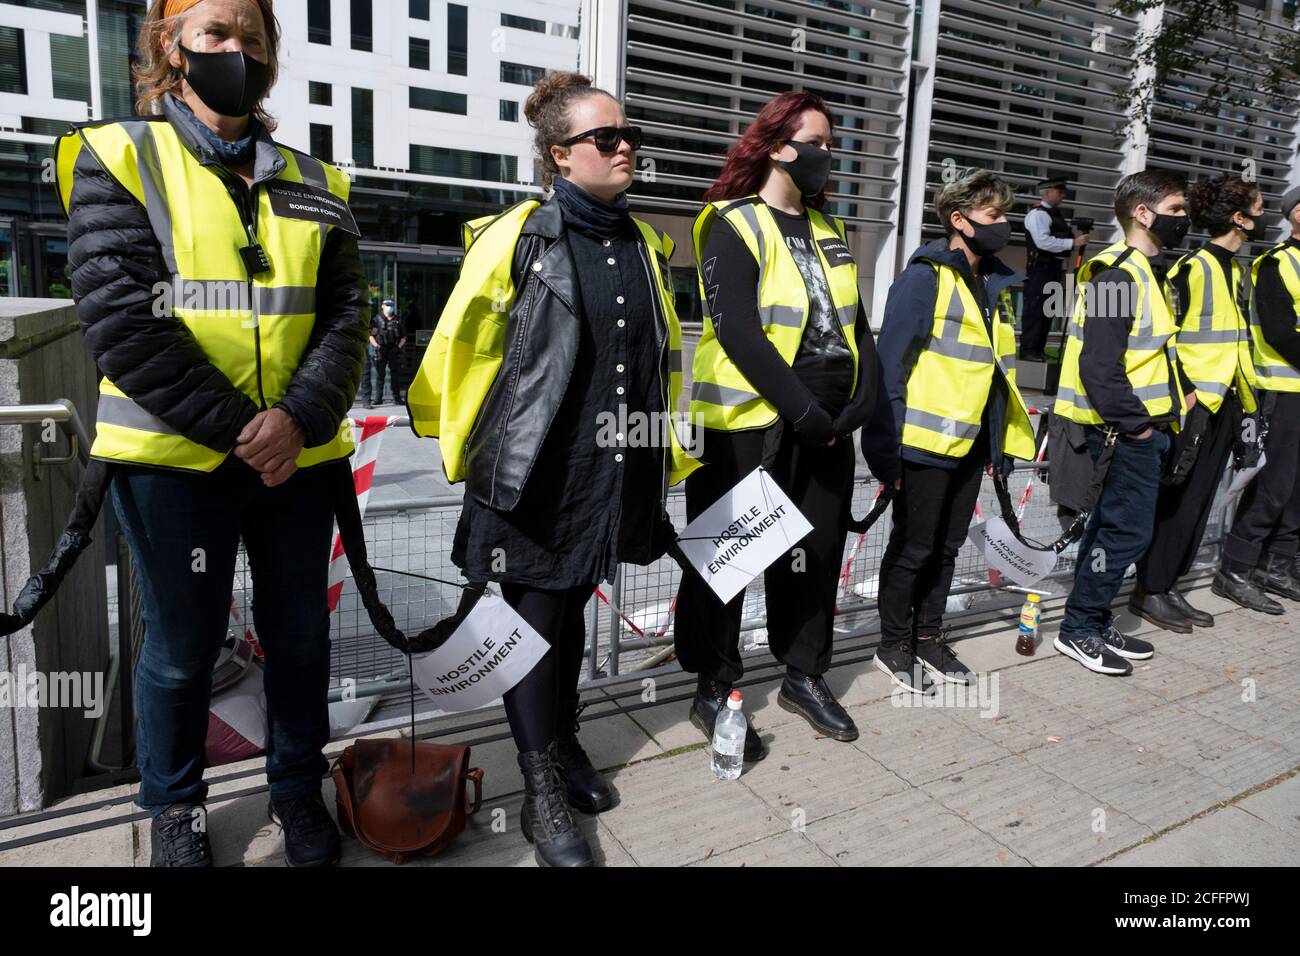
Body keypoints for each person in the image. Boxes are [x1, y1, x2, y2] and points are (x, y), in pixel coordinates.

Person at [57, 0, 366, 865]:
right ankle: (177, 811)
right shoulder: (120, 156)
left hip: (297, 461)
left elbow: (346, 313)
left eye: (254, 36)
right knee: (182, 649)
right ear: (170, 44)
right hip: (178, 464)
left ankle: (298, 791)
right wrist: (246, 429)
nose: (238, 49)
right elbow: (122, 321)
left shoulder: (318, 179)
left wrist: (298, 419)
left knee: (301, 637)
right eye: (217, 32)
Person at [406, 72, 699, 867]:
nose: (626, 146)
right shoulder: (520, 235)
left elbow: (655, 365)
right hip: (536, 475)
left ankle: (563, 747)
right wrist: (467, 454)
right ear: (562, 154)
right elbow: (458, 351)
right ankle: (538, 788)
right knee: (534, 626)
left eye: (628, 134)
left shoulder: (646, 243)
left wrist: (658, 458)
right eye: (607, 137)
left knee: (568, 618)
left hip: (609, 473)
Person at [674, 91, 879, 748]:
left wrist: (865, 398)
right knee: (728, 562)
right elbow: (738, 329)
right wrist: (804, 412)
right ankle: (714, 686)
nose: (827, 156)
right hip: (750, 427)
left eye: (830, 144)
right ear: (773, 146)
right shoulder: (731, 221)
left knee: (814, 558)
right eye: (816, 142)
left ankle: (803, 675)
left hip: (827, 428)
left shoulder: (832, 231)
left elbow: (857, 326)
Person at [862, 169, 1037, 693]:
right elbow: (888, 369)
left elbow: (994, 373)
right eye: (994, 215)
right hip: (921, 446)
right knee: (913, 549)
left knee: (946, 548)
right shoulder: (924, 278)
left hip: (971, 444)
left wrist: (1000, 443)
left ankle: (930, 637)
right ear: (958, 220)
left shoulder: (995, 285)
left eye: (1005, 213)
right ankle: (893, 645)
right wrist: (885, 453)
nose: (1004, 224)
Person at [1052, 169, 1196, 675]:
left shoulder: (1151, 272)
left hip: (1140, 429)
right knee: (1125, 535)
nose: (1185, 219)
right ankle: (1079, 629)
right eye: (1176, 209)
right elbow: (1099, 366)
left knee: (1115, 532)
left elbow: (1148, 353)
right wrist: (1138, 427)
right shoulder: (1116, 274)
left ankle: (1089, 618)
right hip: (1121, 432)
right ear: (1143, 212)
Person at [1130, 175, 1260, 630]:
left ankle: (1168, 586)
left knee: (1199, 499)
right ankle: (1149, 589)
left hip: (1222, 400)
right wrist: (1182, 391)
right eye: (1257, 209)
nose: (1263, 217)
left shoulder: (1236, 268)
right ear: (1239, 218)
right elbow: (1168, 337)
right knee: (1178, 499)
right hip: (1193, 403)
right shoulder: (1194, 267)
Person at [1214, 183, 1300, 613]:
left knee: (1297, 488)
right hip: (1283, 391)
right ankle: (1235, 568)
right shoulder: (1274, 262)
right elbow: (1281, 332)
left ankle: (1277, 565)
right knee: (1273, 485)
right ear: (1296, 213)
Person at [1020, 175, 1089, 361]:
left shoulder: (1055, 214)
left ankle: (1038, 349)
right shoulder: (1038, 214)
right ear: (1047, 193)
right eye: (1059, 192)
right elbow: (1043, 242)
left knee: (1047, 311)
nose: (1063, 195)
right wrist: (1074, 242)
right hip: (1039, 270)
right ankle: (1028, 351)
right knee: (1035, 310)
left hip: (1052, 269)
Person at [369, 298, 406, 406]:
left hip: (393, 350)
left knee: (395, 375)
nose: (390, 307)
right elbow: (371, 335)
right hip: (381, 349)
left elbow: (403, 337)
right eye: (388, 305)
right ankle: (378, 399)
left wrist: (398, 347)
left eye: (391, 305)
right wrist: (377, 346)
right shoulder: (377, 320)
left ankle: (397, 398)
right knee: (380, 375)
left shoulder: (398, 320)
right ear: (382, 306)